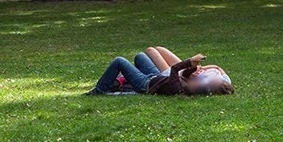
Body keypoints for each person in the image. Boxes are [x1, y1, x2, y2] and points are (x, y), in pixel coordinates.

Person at [87, 47, 234, 96]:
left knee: (119, 61)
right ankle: (121, 79)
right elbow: (187, 75)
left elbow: (176, 70)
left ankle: (99, 91)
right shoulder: (190, 87)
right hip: (155, 77)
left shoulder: (179, 89)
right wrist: (194, 67)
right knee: (140, 56)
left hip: (146, 84)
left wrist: (189, 61)